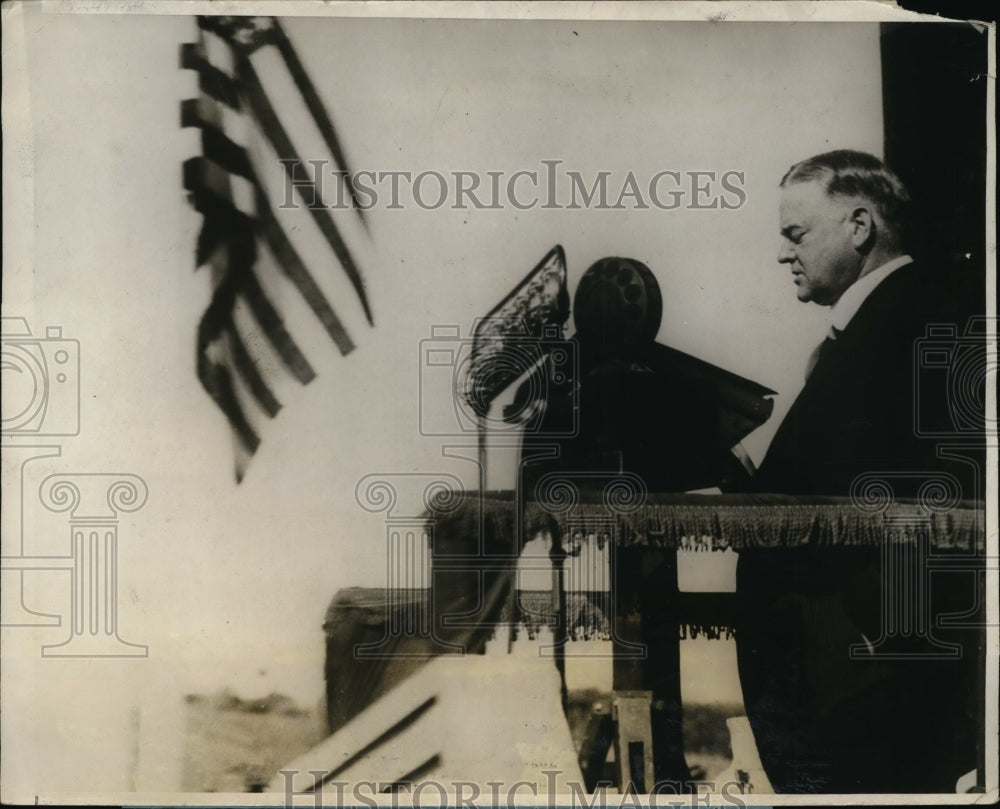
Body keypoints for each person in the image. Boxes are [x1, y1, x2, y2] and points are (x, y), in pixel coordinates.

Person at [737, 150, 982, 793]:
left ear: (859, 226)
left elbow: (845, 477)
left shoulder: (900, 324)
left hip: (863, 668)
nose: (782, 255)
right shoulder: (899, 317)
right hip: (866, 664)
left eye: (796, 235)